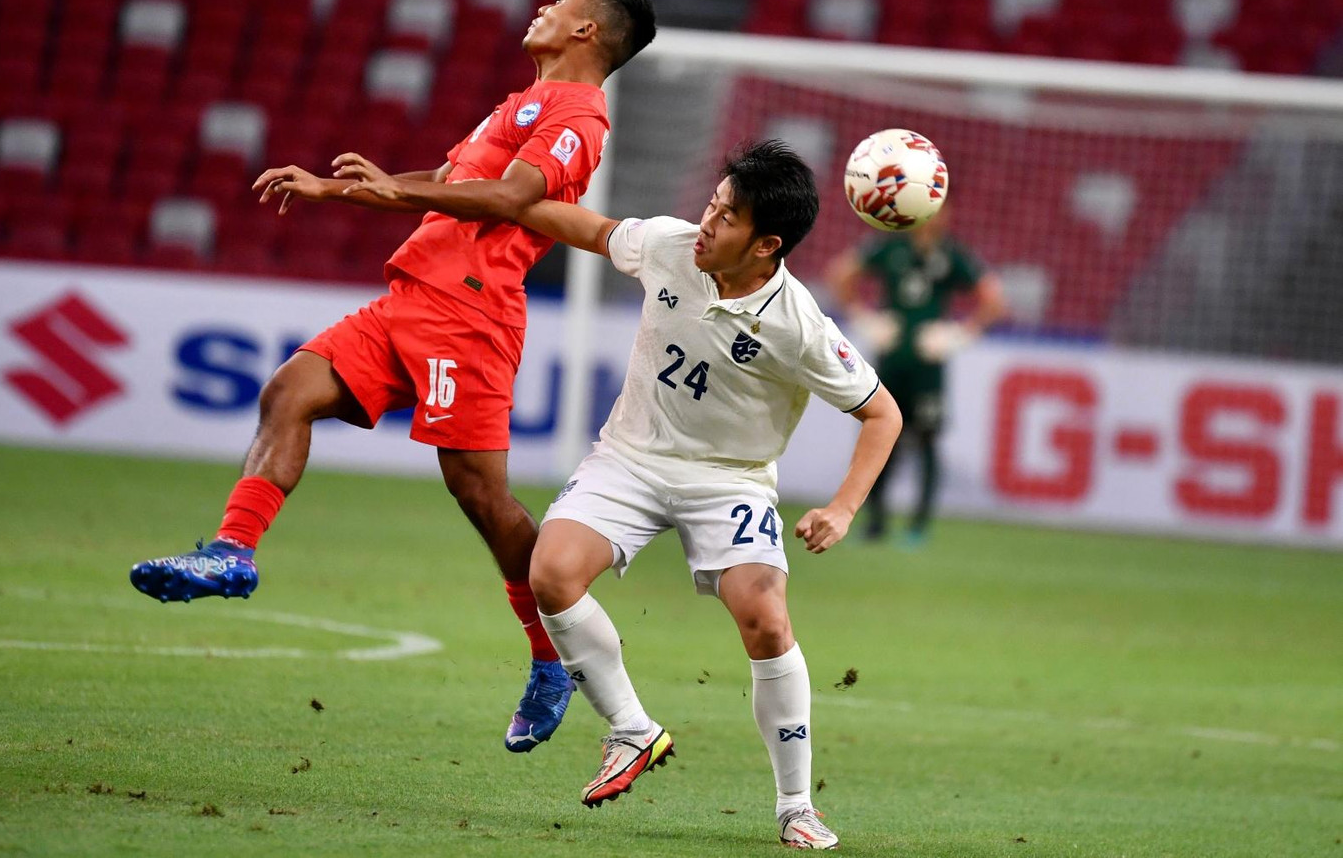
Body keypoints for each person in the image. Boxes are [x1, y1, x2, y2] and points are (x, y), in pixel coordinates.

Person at [129, 0, 657, 756]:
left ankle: (552, 658)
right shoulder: (519, 102)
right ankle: (233, 552)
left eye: (561, 2)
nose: (542, 6)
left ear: (587, 29)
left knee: (482, 497)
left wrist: (394, 194)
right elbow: (446, 180)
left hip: (471, 316)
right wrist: (332, 189)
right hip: (409, 298)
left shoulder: (579, 116)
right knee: (289, 389)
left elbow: (511, 200)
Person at [390, 140, 900, 849]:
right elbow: (592, 229)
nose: (706, 222)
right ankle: (631, 729)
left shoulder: (800, 326)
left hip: (730, 478)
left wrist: (842, 507)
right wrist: (499, 198)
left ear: (766, 245)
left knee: (765, 617)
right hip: (629, 457)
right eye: (712, 203)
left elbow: (883, 412)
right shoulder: (669, 245)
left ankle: (795, 805)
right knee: (551, 572)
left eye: (726, 217)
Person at [826, 209, 1005, 545]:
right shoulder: (889, 247)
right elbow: (840, 273)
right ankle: (875, 522)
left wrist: (960, 335)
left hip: (927, 366)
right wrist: (863, 318)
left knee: (926, 442)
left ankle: (919, 525)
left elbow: (993, 298)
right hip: (890, 361)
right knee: (879, 439)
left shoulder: (952, 255)